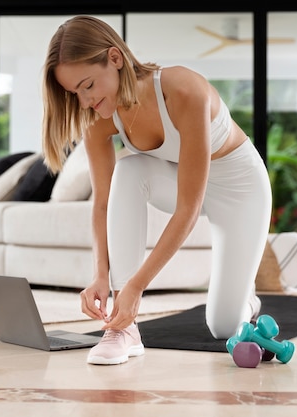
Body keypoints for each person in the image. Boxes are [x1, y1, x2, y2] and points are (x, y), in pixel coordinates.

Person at [41, 15, 272, 365]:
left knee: (224, 324)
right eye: (75, 93)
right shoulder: (98, 121)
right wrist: (101, 276)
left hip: (240, 190)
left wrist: (137, 285)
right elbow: (102, 204)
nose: (85, 101)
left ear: (114, 58)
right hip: (180, 183)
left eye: (88, 85)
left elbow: (187, 210)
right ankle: (123, 331)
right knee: (129, 169)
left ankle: (247, 297)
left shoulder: (182, 89)